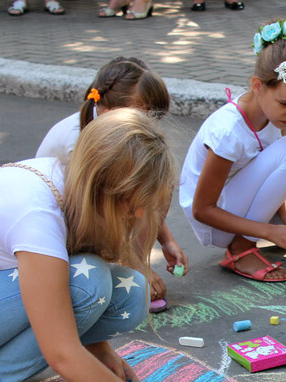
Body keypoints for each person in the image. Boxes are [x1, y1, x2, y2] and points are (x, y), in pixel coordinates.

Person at [0, 109, 204, 382]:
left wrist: (98, 350)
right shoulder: (37, 214)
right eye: (133, 201)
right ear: (103, 185)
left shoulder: (69, 182)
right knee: (88, 281)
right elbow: (61, 351)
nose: (139, 212)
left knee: (130, 291)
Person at [180, 19, 286, 283]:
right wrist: (269, 232)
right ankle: (241, 250)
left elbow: (278, 180)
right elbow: (202, 209)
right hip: (217, 224)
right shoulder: (228, 132)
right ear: (258, 86)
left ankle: (263, 235)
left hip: (247, 205)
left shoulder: (273, 116)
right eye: (285, 103)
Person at [38, 57, 188, 312]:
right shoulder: (81, 138)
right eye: (143, 118)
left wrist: (166, 240)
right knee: (121, 195)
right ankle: (121, 270)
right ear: (110, 112)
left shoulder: (115, 132)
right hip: (60, 218)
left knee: (154, 182)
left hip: (87, 208)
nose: (149, 128)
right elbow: (96, 207)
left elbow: (142, 198)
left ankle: (135, 264)